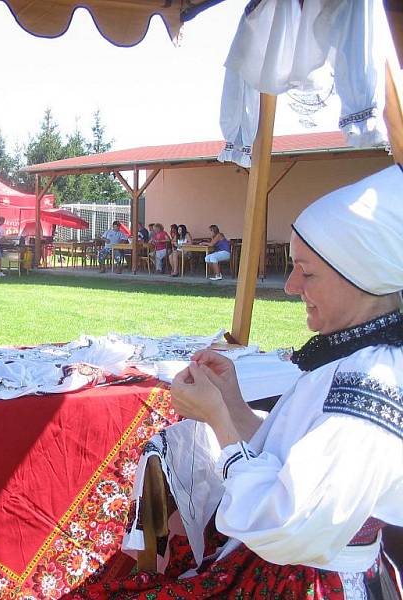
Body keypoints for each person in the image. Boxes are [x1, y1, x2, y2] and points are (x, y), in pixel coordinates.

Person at [80, 165, 403, 599]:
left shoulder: (370, 383)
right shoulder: (354, 358)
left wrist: (221, 426)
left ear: (364, 277)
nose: (290, 286)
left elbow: (288, 524)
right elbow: (292, 462)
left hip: (312, 582)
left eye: (307, 273)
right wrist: (231, 402)